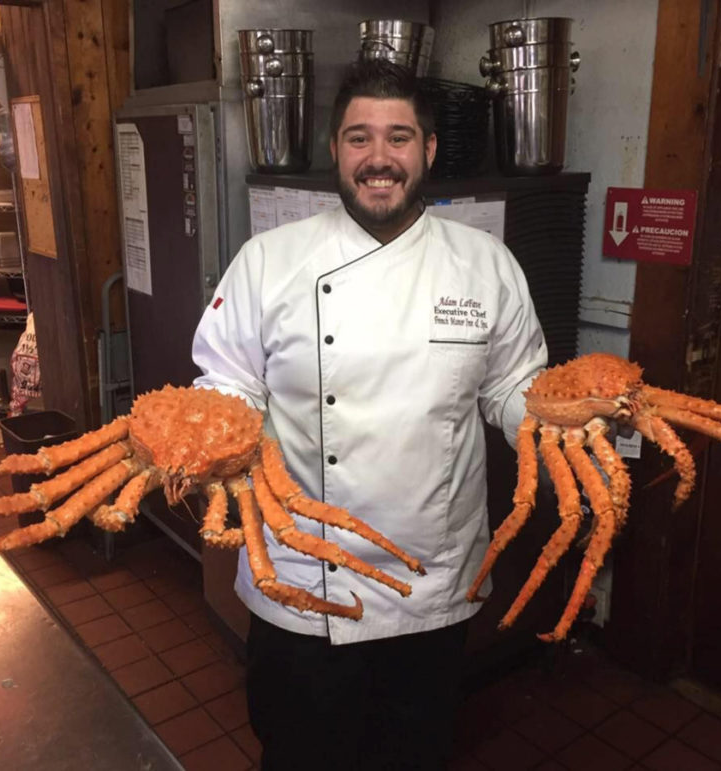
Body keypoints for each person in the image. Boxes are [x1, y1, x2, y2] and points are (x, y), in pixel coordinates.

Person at [192, 60, 547, 771]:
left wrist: (555, 423)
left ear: (429, 151)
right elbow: (226, 380)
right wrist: (215, 432)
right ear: (335, 149)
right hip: (301, 583)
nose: (379, 158)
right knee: (297, 753)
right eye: (360, 137)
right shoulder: (269, 261)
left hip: (432, 583)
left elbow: (513, 386)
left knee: (413, 753)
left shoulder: (486, 265)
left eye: (399, 137)